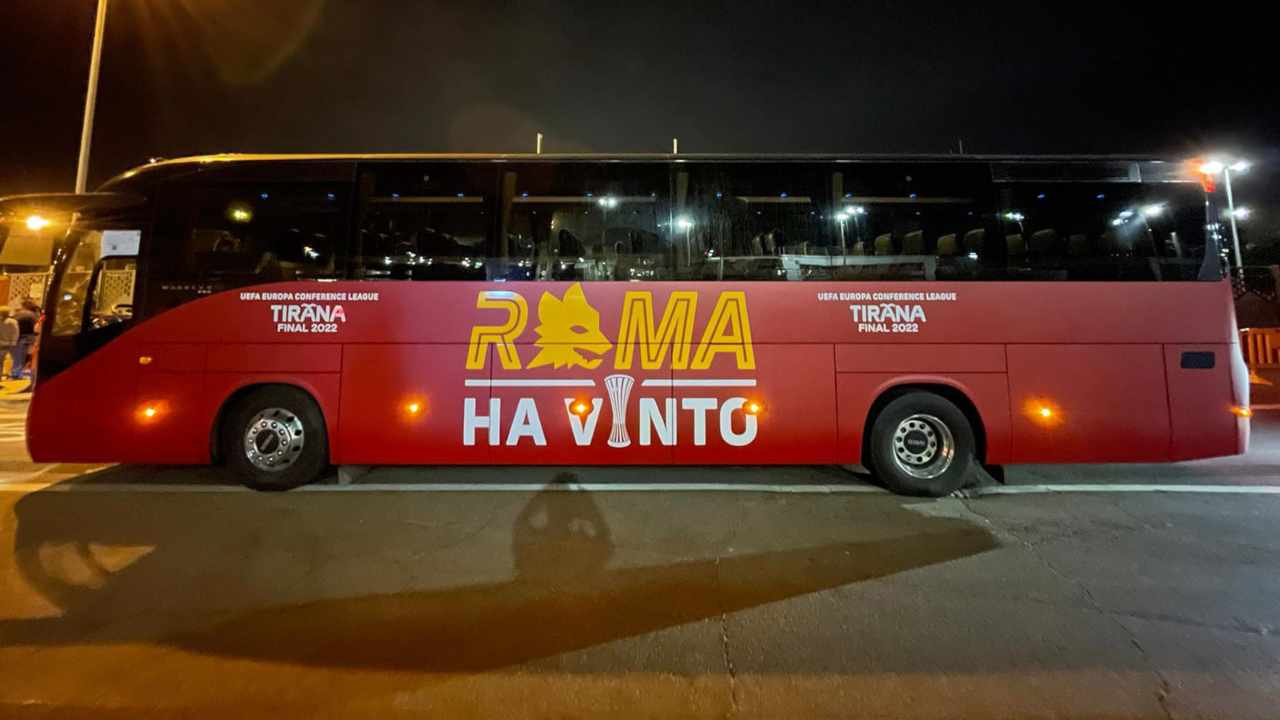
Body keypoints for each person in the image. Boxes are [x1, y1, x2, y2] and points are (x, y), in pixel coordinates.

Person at [11, 301, 38, 381]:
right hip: (28, 338)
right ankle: (18, 373)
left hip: (17, 337)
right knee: (23, 357)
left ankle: (17, 373)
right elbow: (36, 328)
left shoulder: (18, 314)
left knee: (18, 357)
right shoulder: (33, 316)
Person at [0, 309, 17, 379]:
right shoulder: (13, 322)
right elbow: (15, 333)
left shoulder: (10, 322)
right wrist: (13, 342)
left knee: (2, 361)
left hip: (4, 344)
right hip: (8, 343)